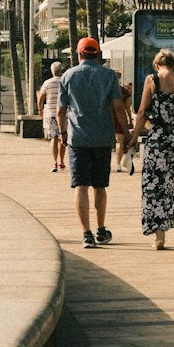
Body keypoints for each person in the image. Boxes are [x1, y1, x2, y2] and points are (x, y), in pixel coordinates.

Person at [57, 37, 130, 250]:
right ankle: (100, 229)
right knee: (100, 186)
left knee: (80, 185)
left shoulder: (68, 76)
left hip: (78, 138)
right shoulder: (108, 75)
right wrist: (126, 134)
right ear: (97, 54)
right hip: (102, 138)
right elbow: (118, 107)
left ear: (79, 55)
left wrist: (62, 133)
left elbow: (60, 110)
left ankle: (86, 233)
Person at [129, 50, 174, 250]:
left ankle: (159, 237)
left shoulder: (152, 80)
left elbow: (143, 111)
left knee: (155, 185)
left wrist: (135, 136)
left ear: (156, 65)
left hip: (159, 138)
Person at [37, 61, 66, 173]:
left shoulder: (47, 83)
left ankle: (54, 162)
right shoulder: (65, 81)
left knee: (53, 138)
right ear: (61, 70)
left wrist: (40, 109)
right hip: (64, 114)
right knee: (62, 137)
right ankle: (61, 162)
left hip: (51, 113)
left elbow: (41, 97)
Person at [112, 70, 134, 172]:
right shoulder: (124, 92)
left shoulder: (106, 90)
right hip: (119, 118)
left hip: (107, 117)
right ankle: (118, 164)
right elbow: (127, 108)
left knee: (106, 142)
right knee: (119, 141)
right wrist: (130, 120)